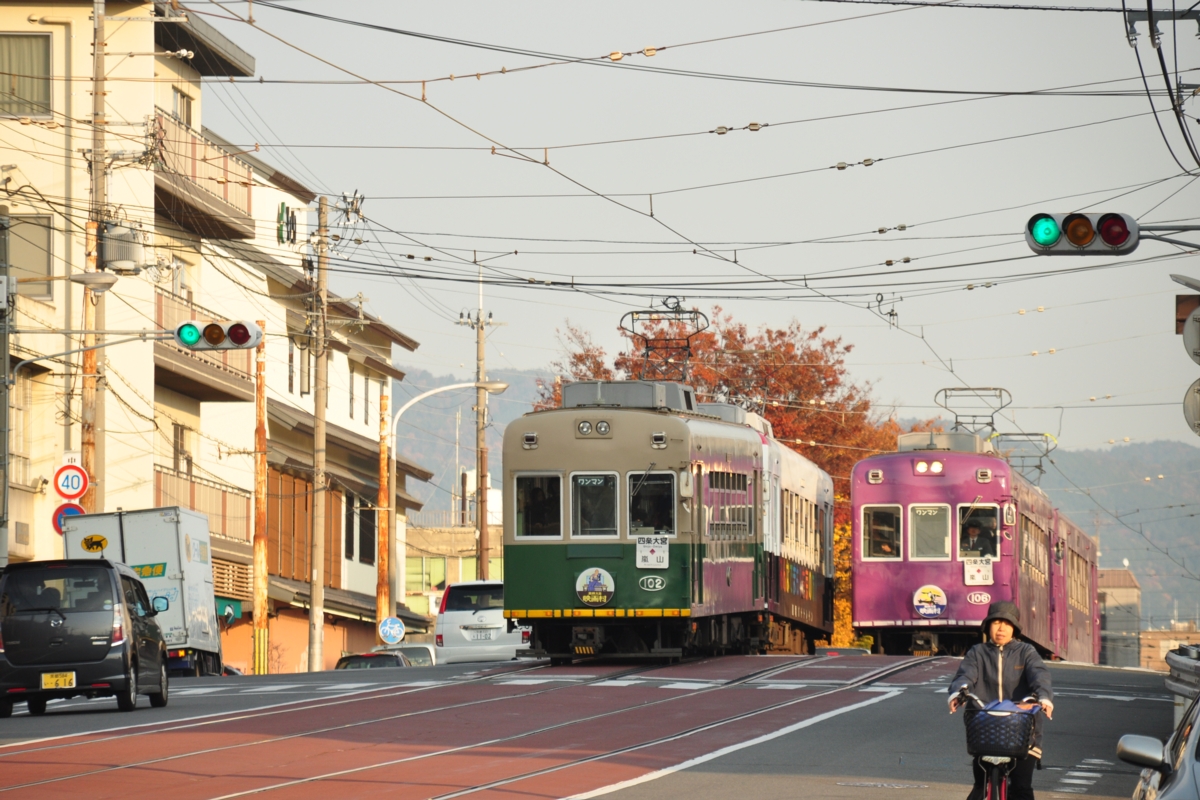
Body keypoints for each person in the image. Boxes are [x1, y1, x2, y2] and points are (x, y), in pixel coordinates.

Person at [948, 601, 1054, 800]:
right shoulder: (976, 653)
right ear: (987, 626)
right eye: (996, 622)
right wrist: (959, 692)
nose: (1001, 628)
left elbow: (1040, 676)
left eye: (1007, 623)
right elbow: (965, 676)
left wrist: (1044, 697)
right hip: (986, 731)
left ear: (1014, 628)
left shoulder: (1027, 652)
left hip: (1023, 732)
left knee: (1021, 788)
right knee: (980, 788)